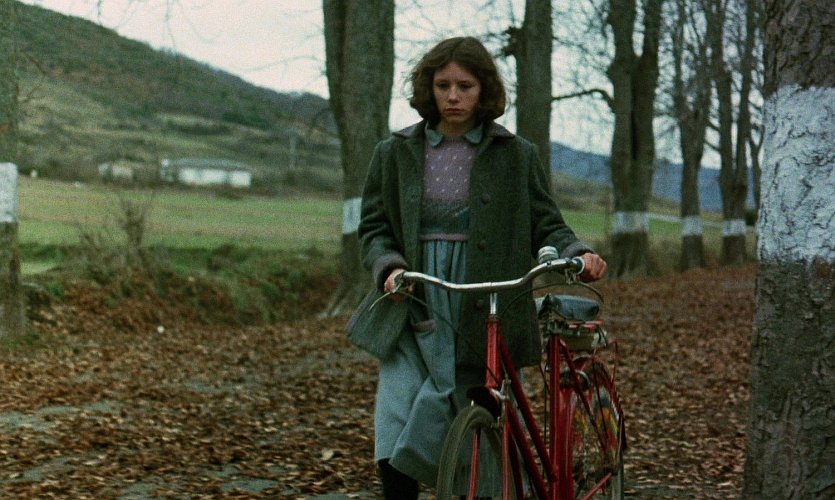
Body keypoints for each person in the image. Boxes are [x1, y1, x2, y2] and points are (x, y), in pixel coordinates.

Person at [353, 36, 607, 499]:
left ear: (484, 90)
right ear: (428, 88)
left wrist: (578, 252)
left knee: (480, 414)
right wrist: (388, 267)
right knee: (395, 413)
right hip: (415, 297)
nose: (453, 96)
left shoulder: (516, 154)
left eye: (465, 86)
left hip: (485, 297)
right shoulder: (394, 152)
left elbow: (546, 222)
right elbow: (374, 227)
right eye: (443, 85)